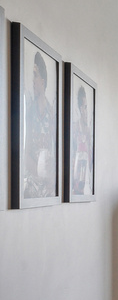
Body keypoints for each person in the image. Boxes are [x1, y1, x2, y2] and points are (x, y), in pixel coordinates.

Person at [22, 50, 56, 199]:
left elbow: (57, 154)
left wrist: (52, 178)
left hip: (48, 186)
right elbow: (25, 152)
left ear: (43, 80)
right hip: (32, 183)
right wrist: (39, 174)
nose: (32, 80)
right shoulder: (29, 111)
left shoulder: (52, 114)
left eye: (35, 75)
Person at [70, 82, 93, 196]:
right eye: (85, 107)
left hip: (86, 183)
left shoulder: (89, 132)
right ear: (80, 109)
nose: (87, 111)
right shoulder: (74, 128)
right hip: (76, 182)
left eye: (88, 108)